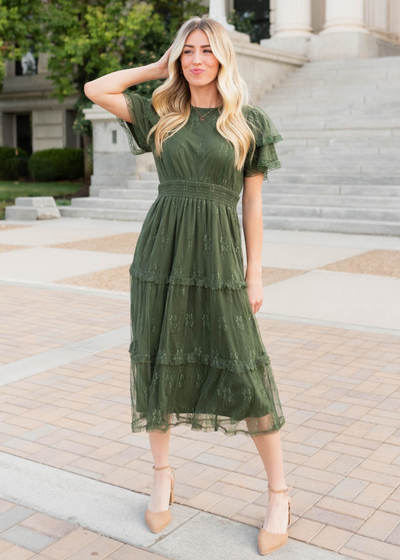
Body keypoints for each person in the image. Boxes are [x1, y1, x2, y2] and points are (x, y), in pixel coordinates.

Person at [84, 14, 292, 556]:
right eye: (187, 51)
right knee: (159, 362)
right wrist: (158, 67)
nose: (197, 59)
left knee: (246, 372)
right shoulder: (161, 112)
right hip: (161, 255)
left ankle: (279, 494)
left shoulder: (248, 122)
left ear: (223, 57)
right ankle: (161, 476)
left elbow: (253, 206)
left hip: (220, 258)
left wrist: (254, 274)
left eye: (206, 50)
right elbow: (95, 88)